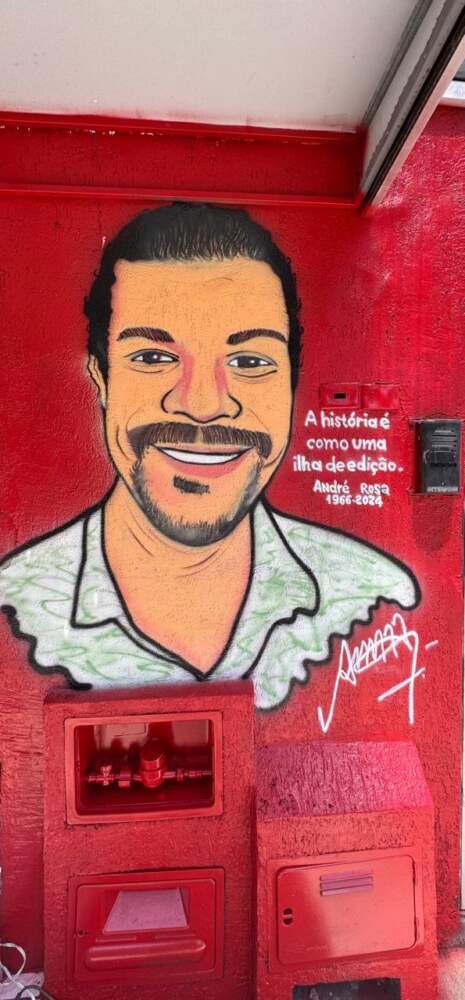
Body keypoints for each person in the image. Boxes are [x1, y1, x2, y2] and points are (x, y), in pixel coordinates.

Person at [0, 203, 419, 709]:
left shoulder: (372, 602)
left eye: (249, 361)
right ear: (101, 380)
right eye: (153, 357)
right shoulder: (16, 605)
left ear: (290, 385)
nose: (202, 405)